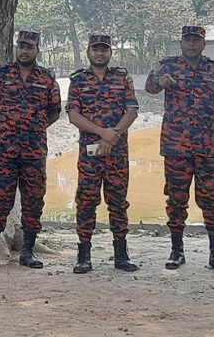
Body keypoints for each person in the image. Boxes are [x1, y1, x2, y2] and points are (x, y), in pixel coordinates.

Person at [145, 26, 214, 273]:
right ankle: (176, 250)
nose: (191, 45)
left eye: (196, 41)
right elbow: (150, 87)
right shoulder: (169, 66)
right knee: (176, 198)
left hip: (206, 146)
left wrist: (202, 122)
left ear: (203, 44)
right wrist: (159, 81)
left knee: (211, 198)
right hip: (176, 146)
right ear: (181, 43)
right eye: (187, 41)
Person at [0, 30, 61, 273]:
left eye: (30, 47)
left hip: (34, 152)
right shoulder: (2, 74)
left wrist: (34, 128)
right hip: (6, 152)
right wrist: (7, 126)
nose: (24, 50)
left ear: (37, 50)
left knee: (33, 201)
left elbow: (55, 111)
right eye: (21, 46)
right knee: (0, 201)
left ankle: (28, 251)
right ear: (17, 48)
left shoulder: (46, 78)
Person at [66, 34, 139, 274]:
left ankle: (121, 254)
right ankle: (84, 255)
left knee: (118, 202)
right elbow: (73, 115)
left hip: (117, 153)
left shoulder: (122, 78)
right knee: (86, 201)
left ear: (110, 53)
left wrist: (113, 135)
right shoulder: (79, 80)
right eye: (96, 49)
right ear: (88, 52)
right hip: (90, 153)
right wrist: (102, 133)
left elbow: (132, 111)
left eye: (104, 50)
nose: (100, 53)